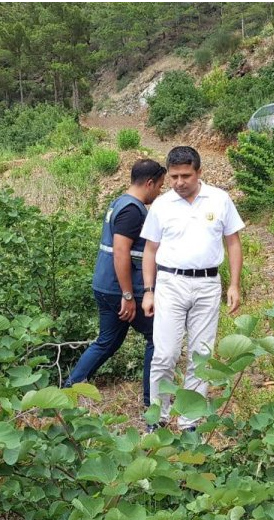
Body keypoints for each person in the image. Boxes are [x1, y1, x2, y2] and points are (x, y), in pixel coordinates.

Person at [141, 146, 244, 433]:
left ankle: (190, 423)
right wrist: (149, 290)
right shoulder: (162, 205)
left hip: (208, 284)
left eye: (185, 175)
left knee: (201, 355)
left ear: (199, 172)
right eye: (173, 176)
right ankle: (157, 419)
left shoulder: (219, 199)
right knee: (165, 354)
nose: (179, 182)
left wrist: (234, 284)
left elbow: (233, 242)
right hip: (170, 283)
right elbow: (150, 250)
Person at [62, 159, 167, 407]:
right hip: (122, 289)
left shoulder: (119, 202)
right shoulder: (133, 210)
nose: (160, 192)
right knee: (157, 337)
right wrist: (128, 295)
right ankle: (151, 401)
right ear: (150, 183)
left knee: (107, 341)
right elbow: (121, 252)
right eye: (160, 186)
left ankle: (69, 389)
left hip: (105, 284)